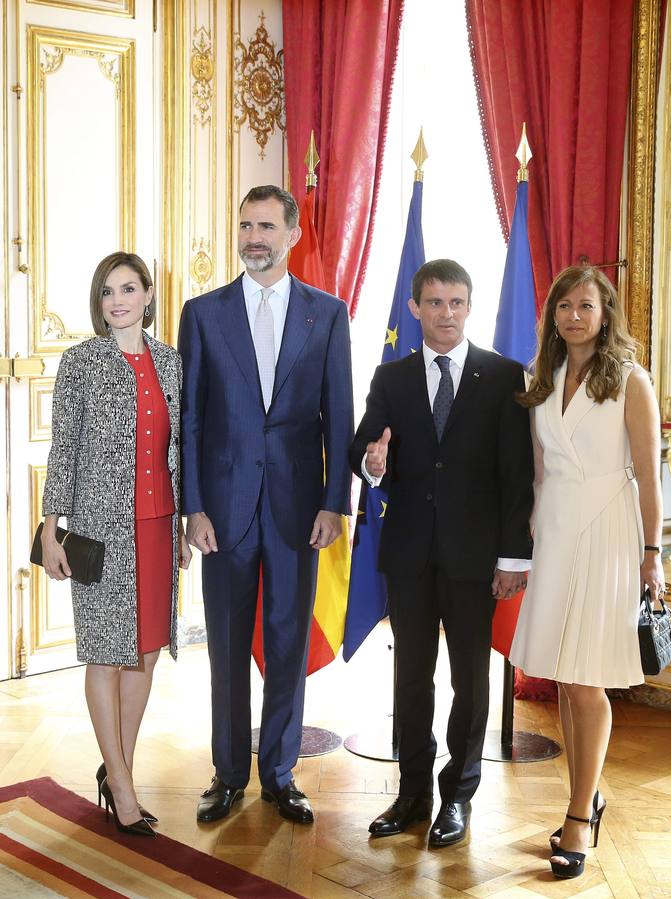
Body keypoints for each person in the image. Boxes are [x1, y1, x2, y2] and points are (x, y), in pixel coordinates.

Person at [178, 184, 353, 826]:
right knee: (226, 647)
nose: (255, 237)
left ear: (293, 234)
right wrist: (192, 506)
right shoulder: (202, 313)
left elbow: (340, 415)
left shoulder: (328, 313)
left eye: (267, 226)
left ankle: (279, 775)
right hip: (221, 513)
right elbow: (191, 419)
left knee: (286, 645)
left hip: (297, 509)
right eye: (246, 224)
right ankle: (227, 776)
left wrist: (336, 504)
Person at [351, 259, 533, 847]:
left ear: (470, 306)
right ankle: (411, 795)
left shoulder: (503, 376)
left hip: (476, 559)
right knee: (411, 679)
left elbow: (516, 476)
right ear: (415, 309)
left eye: (456, 303)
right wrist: (370, 465)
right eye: (434, 303)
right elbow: (364, 445)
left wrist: (512, 559)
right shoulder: (391, 377)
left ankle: (458, 794)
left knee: (470, 682)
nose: (445, 314)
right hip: (409, 555)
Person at [509, 265, 665, 880]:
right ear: (552, 315)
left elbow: (650, 478)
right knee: (564, 676)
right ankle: (588, 792)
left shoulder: (631, 380)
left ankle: (579, 816)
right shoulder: (541, 379)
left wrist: (652, 553)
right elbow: (541, 468)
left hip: (610, 532)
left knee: (586, 680)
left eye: (587, 306)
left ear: (606, 314)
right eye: (564, 306)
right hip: (554, 530)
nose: (574, 316)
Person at [41, 252, 191, 837]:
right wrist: (51, 527)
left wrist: (180, 529)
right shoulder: (81, 362)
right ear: (99, 303)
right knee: (107, 653)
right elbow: (63, 449)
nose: (119, 300)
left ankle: (116, 769)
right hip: (100, 529)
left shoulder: (172, 364)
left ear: (148, 294)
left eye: (129, 288)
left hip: (158, 525)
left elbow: (177, 451)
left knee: (146, 652)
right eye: (108, 292)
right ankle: (124, 788)